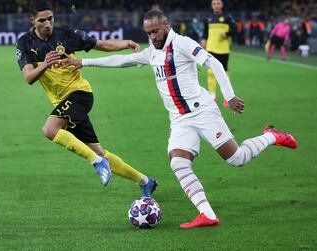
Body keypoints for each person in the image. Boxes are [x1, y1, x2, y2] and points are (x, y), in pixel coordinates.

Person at [64, 9, 298, 229]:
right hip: (179, 118)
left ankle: (271, 136)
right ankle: (207, 214)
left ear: (166, 25)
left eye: (155, 31)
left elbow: (213, 62)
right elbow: (122, 60)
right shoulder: (152, 52)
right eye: (148, 33)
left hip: (202, 111)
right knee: (178, 162)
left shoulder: (182, 43)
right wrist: (84, 62)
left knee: (236, 159)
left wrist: (230, 96)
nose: (152, 36)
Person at [15, 0, 157, 196]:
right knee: (99, 151)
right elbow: (29, 77)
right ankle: (145, 181)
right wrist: (45, 65)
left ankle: (97, 163)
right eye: (42, 20)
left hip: (80, 94)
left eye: (50, 19)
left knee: (50, 130)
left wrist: (125, 43)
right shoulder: (24, 43)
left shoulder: (66, 35)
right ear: (32, 20)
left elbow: (101, 44)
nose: (48, 24)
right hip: (62, 103)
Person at [201, 0, 235, 107]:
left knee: (224, 72)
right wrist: (203, 40)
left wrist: (227, 34)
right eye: (214, 4)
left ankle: (228, 97)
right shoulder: (208, 18)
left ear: (222, 5)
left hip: (224, 49)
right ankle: (212, 97)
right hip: (211, 48)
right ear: (212, 6)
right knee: (211, 72)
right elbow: (205, 32)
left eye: (218, 3)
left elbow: (235, 28)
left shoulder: (228, 17)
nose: (216, 6)